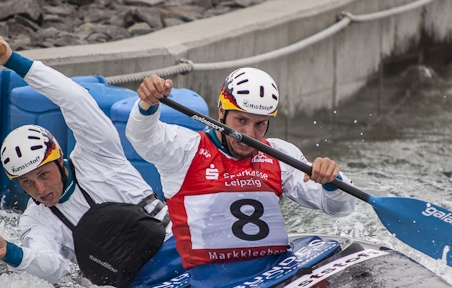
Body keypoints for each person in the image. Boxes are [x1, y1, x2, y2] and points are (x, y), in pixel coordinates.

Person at [0, 36, 181, 288]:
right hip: (129, 286)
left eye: (44, 174)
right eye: (26, 182)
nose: (40, 189)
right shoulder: (36, 219)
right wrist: (9, 252)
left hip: (176, 245)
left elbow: (73, 98)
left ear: (59, 160)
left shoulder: (97, 153)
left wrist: (11, 60)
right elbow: (52, 267)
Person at [126, 67, 356, 269]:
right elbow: (141, 137)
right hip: (210, 278)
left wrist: (332, 182)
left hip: (273, 271)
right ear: (221, 113)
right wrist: (148, 104)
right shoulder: (186, 149)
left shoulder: (280, 155)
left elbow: (340, 209)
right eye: (241, 120)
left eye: (260, 124)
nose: (249, 134)